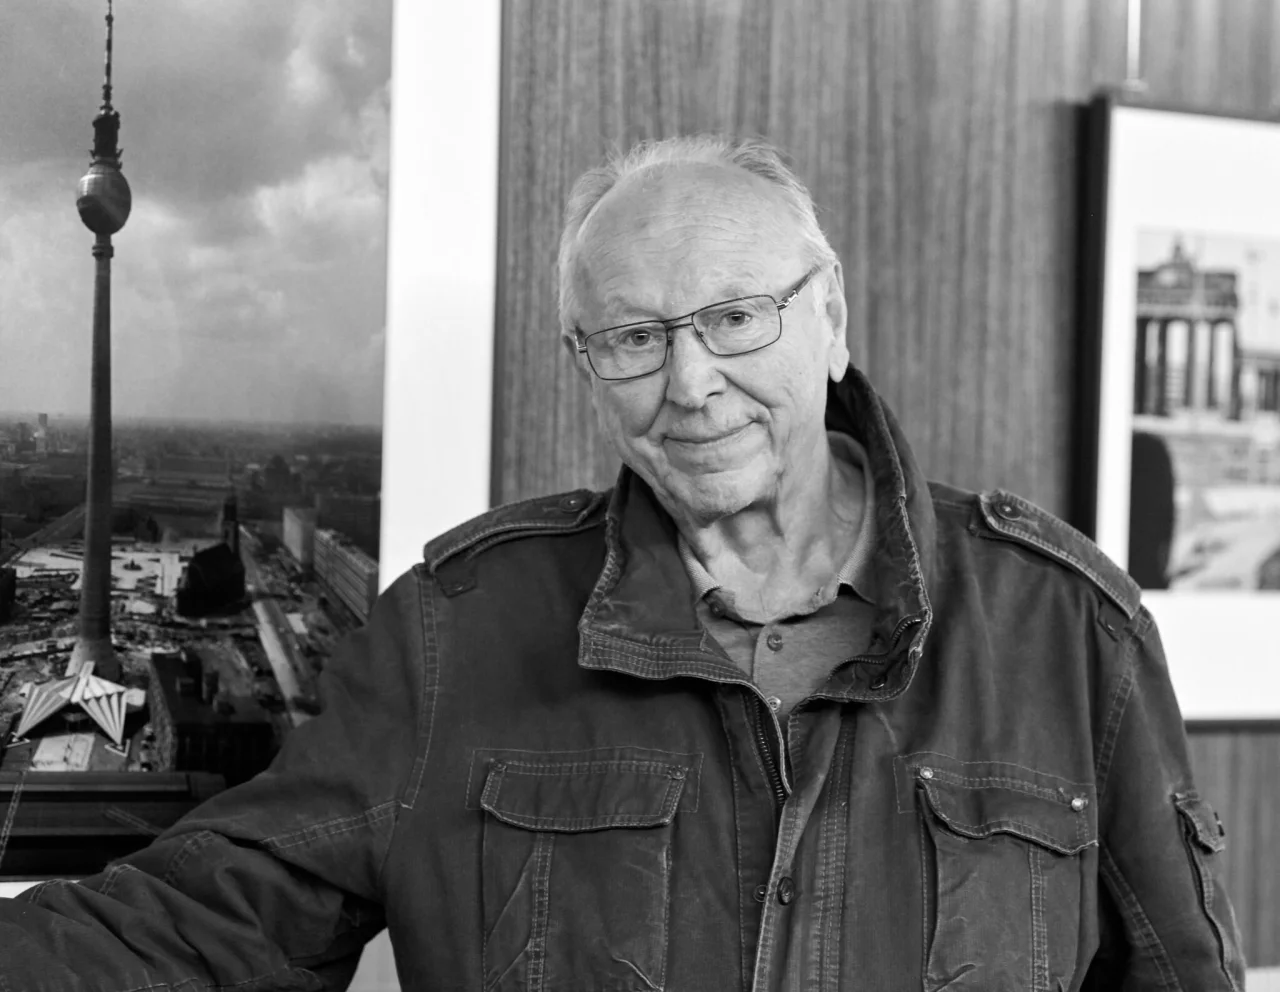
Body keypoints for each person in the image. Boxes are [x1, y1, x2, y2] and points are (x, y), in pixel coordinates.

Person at [0, 136, 1245, 990]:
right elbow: (203, 923)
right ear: (586, 364)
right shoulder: (458, 629)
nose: (690, 383)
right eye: (633, 338)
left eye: (733, 318)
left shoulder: (1062, 628)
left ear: (828, 320)